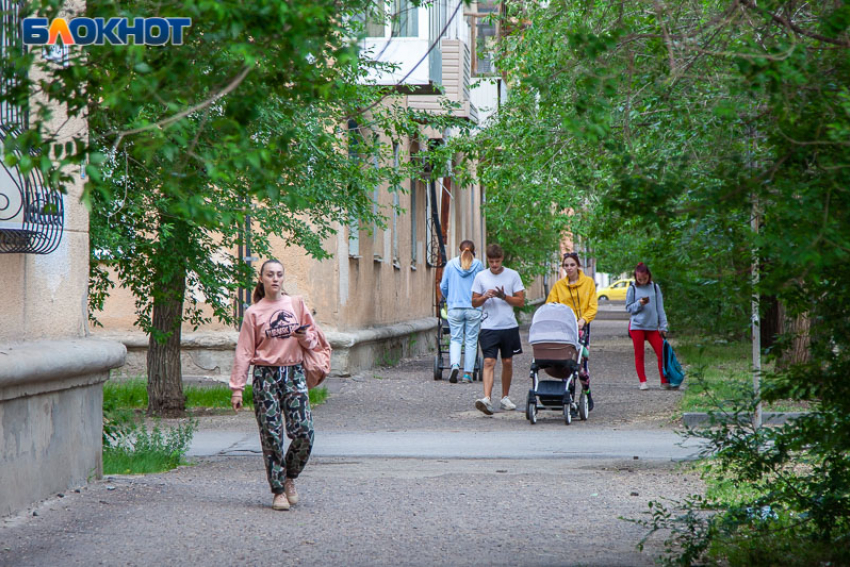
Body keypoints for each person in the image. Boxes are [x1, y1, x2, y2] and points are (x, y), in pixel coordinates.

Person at [230, 259, 318, 511]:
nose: (275, 279)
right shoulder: (253, 313)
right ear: (262, 279)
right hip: (265, 376)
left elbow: (313, 339)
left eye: (279, 274)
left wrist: (305, 337)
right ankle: (278, 490)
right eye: (270, 274)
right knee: (271, 435)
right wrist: (238, 388)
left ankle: (290, 476)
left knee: (305, 433)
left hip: (293, 373)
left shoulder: (296, 305)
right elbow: (244, 352)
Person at [471, 244, 525, 415]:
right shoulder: (480, 276)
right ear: (487, 260)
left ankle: (505, 397)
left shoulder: (512, 275)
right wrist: (484, 296)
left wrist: (504, 296)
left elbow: (521, 301)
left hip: (508, 326)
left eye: (497, 261)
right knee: (489, 362)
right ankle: (486, 398)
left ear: (502, 259)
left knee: (507, 362)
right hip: (488, 327)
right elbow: (473, 302)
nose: (494, 264)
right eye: (491, 261)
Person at [546, 252, 598, 410]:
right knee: (566, 362)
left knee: (581, 365)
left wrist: (583, 320)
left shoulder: (588, 283)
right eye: (566, 265)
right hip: (565, 328)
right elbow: (550, 304)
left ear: (578, 266)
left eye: (572, 265)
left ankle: (587, 391)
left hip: (582, 327)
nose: (569, 268)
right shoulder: (559, 286)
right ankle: (569, 400)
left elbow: (593, 306)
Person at [440, 240, 485, 383]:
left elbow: (443, 286)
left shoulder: (451, 265)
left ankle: (454, 365)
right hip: (473, 308)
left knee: (456, 338)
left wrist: (450, 298)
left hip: (455, 307)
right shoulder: (478, 265)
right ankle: (467, 374)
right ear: (474, 251)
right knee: (471, 340)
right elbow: (484, 285)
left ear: (459, 250)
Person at [625, 262, 669, 390]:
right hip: (637, 326)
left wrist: (663, 326)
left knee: (661, 352)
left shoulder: (655, 287)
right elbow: (629, 308)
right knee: (639, 354)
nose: (642, 281)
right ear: (636, 277)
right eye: (639, 279)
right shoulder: (632, 288)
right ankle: (642, 381)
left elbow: (660, 308)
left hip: (652, 326)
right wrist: (639, 303)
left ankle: (664, 380)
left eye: (645, 278)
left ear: (649, 276)